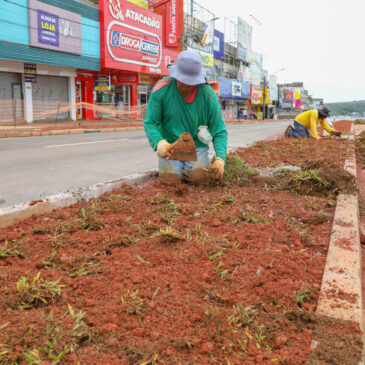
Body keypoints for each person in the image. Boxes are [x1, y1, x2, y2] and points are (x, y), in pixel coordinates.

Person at [144, 50, 228, 185]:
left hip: (197, 147)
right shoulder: (161, 90)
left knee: (199, 178)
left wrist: (220, 160)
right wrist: (159, 143)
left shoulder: (208, 95)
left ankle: (200, 166)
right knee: (170, 180)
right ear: (175, 75)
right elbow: (150, 123)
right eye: (182, 81)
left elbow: (219, 131)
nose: (185, 86)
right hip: (171, 146)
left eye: (190, 82)